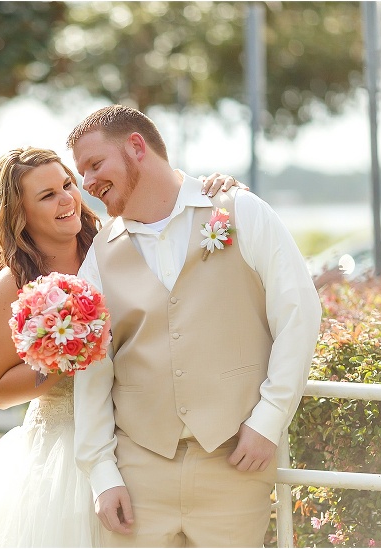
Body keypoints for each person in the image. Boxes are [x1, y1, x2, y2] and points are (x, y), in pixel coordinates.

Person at [0, 146, 242, 548]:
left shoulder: (115, 244)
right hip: (63, 451)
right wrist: (66, 356)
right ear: (20, 213)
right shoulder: (13, 283)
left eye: (67, 185)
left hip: (138, 435)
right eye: (47, 195)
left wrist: (220, 191)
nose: (66, 199)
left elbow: (173, 225)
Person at [68, 105, 323, 548]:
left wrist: (269, 421)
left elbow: (299, 316)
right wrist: (102, 473)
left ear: (136, 146)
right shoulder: (101, 254)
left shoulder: (241, 211)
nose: (86, 183)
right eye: (82, 172)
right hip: (137, 474)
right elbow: (93, 369)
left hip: (235, 462)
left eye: (94, 164)